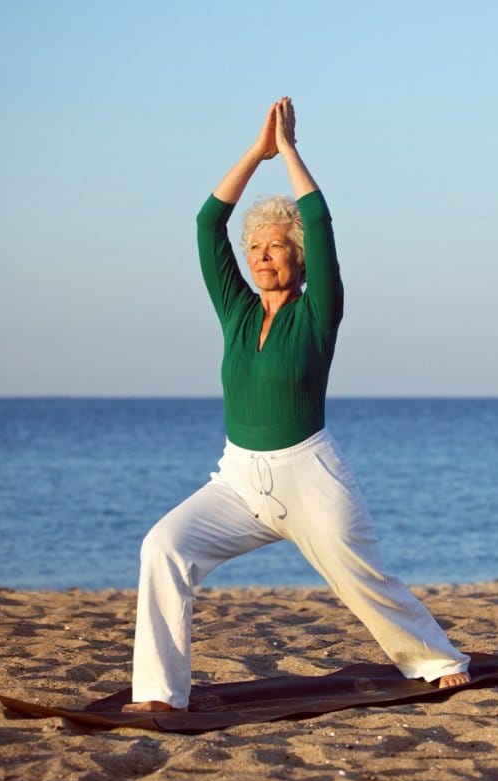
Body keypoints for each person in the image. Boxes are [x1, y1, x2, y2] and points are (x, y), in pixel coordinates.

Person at [122, 97, 470, 713]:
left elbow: (321, 219)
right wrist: (255, 152)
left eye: (276, 245)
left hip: (310, 474)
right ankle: (159, 694)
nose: (260, 255)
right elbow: (207, 225)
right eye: (255, 246)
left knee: (362, 580)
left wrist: (288, 153)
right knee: (163, 547)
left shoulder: (318, 312)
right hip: (237, 480)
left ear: (298, 256)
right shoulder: (236, 310)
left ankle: (438, 659)